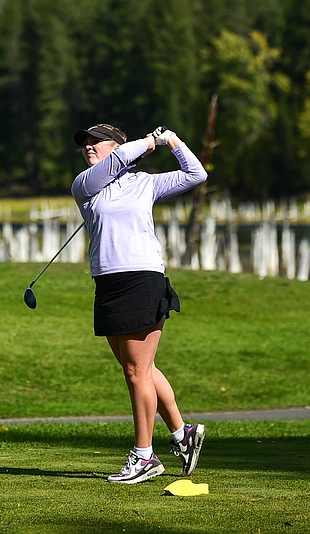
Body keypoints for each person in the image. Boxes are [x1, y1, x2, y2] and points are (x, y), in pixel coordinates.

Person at [70, 122, 208, 484]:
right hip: (108, 281)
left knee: (136, 372)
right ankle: (183, 433)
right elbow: (114, 164)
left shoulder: (144, 183)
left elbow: (196, 173)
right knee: (139, 369)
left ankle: (144, 455)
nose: (88, 148)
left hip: (142, 278)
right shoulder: (85, 186)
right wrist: (146, 142)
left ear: (115, 145)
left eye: (96, 142)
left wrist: (172, 141)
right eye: (85, 143)